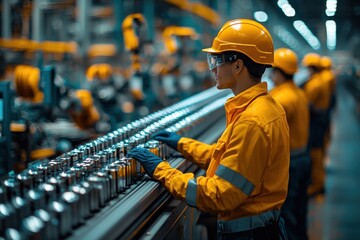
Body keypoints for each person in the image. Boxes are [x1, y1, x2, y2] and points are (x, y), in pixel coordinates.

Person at [128, 19, 289, 240]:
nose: (212, 68)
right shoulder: (263, 106)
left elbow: (220, 195)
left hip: (248, 235)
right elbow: (227, 160)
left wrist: (162, 171)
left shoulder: (252, 120)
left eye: (217, 60)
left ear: (238, 65)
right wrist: (181, 144)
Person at [269, 48, 311, 240]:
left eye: (273, 70)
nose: (270, 75)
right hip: (303, 157)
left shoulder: (280, 99)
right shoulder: (299, 93)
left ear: (279, 72)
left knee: (288, 215)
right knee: (300, 210)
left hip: (290, 165)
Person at [300, 53, 331, 197]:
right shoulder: (320, 80)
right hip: (321, 117)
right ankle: (318, 182)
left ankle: (318, 184)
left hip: (316, 120)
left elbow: (307, 104)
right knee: (318, 149)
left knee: (315, 152)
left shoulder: (314, 84)